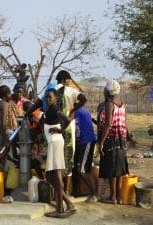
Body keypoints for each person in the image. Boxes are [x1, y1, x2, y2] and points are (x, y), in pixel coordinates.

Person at [42, 88, 76, 218]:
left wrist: (60, 130)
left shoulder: (54, 109)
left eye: (50, 97)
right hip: (53, 143)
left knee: (55, 175)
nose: (48, 99)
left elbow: (67, 119)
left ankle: (61, 208)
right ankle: (67, 204)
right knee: (51, 177)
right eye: (47, 97)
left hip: (55, 143)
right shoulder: (50, 109)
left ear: (56, 98)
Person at [55, 70, 87, 195]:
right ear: (66, 79)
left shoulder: (50, 90)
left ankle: (57, 190)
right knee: (68, 158)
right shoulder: (70, 91)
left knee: (56, 159)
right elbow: (84, 98)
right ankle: (66, 190)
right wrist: (74, 110)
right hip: (68, 127)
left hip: (54, 126)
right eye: (69, 80)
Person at [98, 80, 129, 205]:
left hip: (111, 140)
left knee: (112, 170)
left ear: (107, 91)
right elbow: (124, 124)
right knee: (119, 170)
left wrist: (101, 143)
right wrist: (130, 137)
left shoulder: (109, 104)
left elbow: (108, 125)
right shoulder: (122, 104)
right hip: (121, 140)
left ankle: (113, 197)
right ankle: (120, 197)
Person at [73, 104, 98, 202]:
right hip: (84, 141)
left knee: (81, 169)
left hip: (86, 141)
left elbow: (77, 129)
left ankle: (95, 193)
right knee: (75, 167)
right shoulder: (84, 110)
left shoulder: (77, 111)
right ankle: (76, 191)